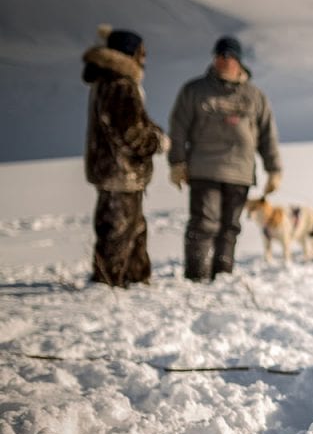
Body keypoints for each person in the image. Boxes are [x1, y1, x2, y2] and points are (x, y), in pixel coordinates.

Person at [168, 35, 282, 281]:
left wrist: (275, 169)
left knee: (230, 228)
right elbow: (178, 128)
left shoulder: (254, 96)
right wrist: (177, 162)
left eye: (228, 56)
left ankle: (222, 277)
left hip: (239, 172)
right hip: (204, 169)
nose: (222, 61)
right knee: (205, 224)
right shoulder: (195, 91)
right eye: (218, 55)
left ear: (238, 61)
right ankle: (196, 277)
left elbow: (267, 134)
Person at [80, 25, 169, 287]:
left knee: (133, 229)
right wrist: (157, 141)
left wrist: (153, 132)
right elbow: (131, 133)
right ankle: (109, 284)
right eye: (142, 52)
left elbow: (134, 124)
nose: (145, 58)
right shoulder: (120, 85)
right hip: (121, 173)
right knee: (117, 232)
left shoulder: (108, 82)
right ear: (131, 53)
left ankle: (136, 279)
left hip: (116, 172)